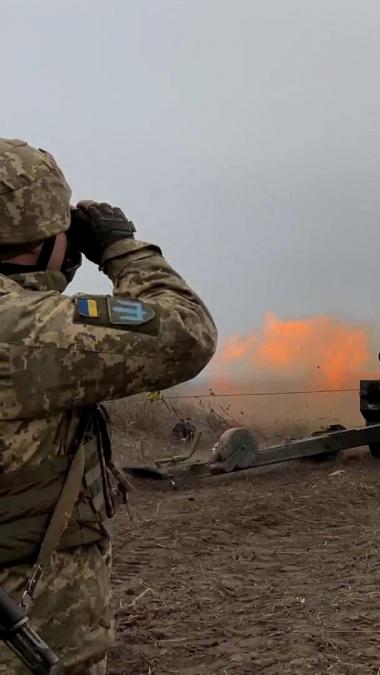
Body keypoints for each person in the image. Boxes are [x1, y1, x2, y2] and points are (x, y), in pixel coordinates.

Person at [0, 138, 217, 673]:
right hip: (30, 629)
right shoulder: (29, 331)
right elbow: (185, 332)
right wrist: (121, 248)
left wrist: (51, 265)